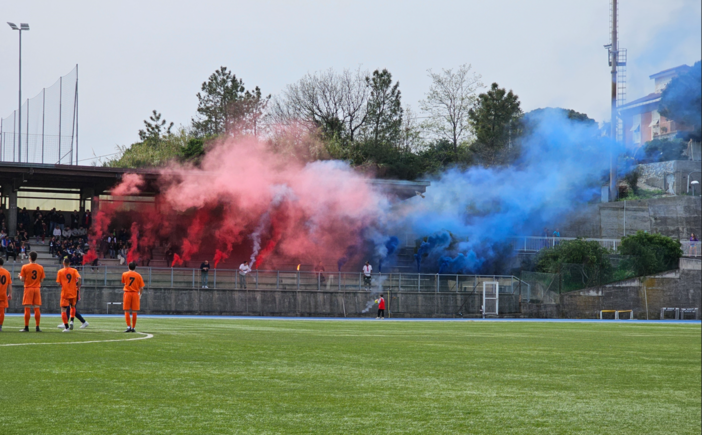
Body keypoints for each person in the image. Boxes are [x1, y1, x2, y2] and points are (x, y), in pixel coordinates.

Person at [19, 251, 45, 332]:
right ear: (36, 258)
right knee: (37, 308)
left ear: (29, 258)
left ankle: (26, 327)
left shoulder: (25, 267)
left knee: (27, 308)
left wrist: (19, 276)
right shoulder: (40, 267)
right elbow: (42, 279)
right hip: (37, 288)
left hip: (28, 288)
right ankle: (37, 327)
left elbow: (22, 279)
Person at [56, 257, 82, 332]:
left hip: (65, 292)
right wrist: (78, 285)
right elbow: (79, 278)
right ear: (69, 263)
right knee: (72, 307)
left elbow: (58, 283)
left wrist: (61, 283)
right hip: (73, 292)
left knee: (63, 309)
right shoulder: (74, 270)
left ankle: (66, 327)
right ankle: (72, 321)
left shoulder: (60, 271)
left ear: (63, 263)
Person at [121, 262, 145, 333]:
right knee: (134, 311)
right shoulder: (138, 275)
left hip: (127, 293)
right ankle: (133, 327)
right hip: (135, 294)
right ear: (135, 267)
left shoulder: (124, 274)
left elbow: (124, 282)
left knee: (126, 310)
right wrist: (140, 294)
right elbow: (141, 287)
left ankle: (128, 326)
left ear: (128, 267)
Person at [0, 258, 12, 332]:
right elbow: (9, 284)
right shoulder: (7, 272)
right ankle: (0, 326)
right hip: (3, 294)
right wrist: (10, 293)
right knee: (2, 312)